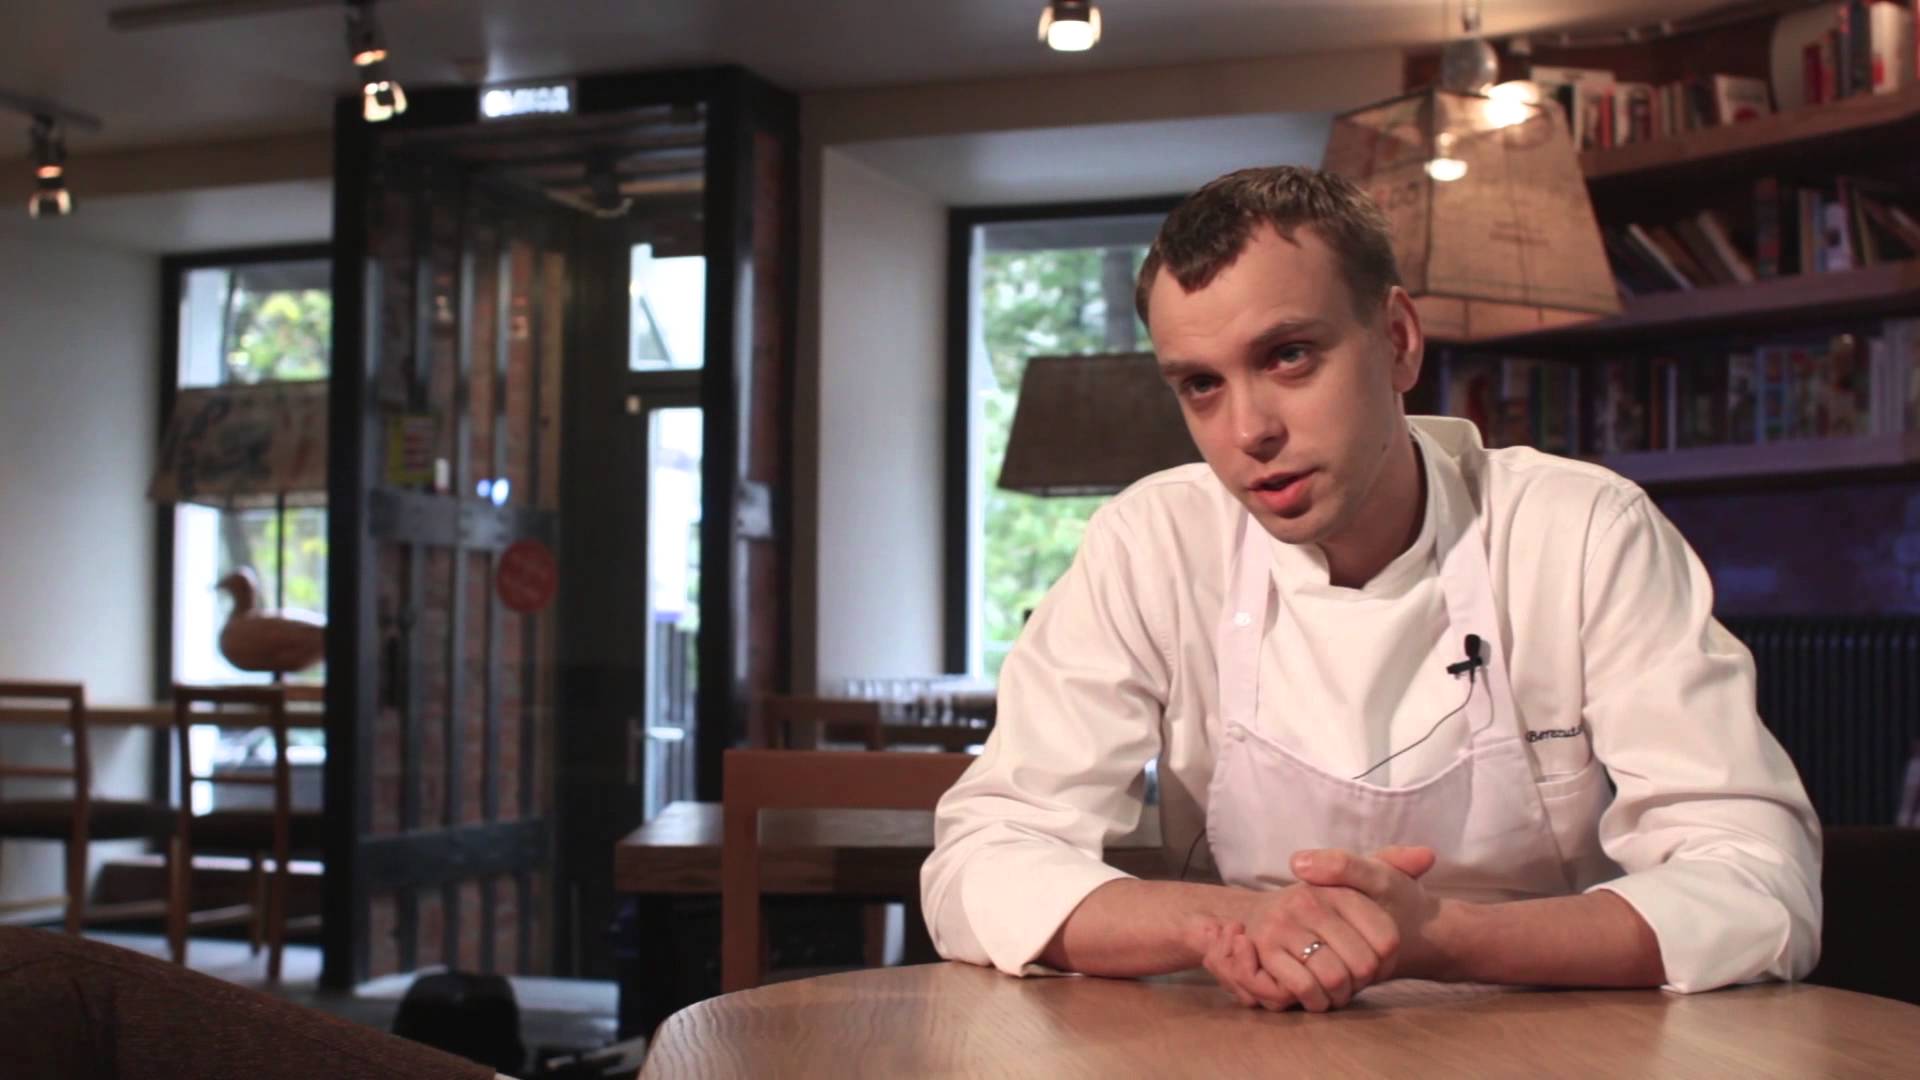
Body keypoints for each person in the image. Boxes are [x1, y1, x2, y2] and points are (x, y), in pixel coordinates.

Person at [920, 166, 1821, 1012]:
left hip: (1555, 1034)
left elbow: (1757, 883)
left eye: (1289, 356)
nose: (1248, 430)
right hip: (1248, 1037)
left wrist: (1439, 939)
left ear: (1396, 341)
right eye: (1200, 385)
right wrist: (1233, 924)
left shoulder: (1581, 532)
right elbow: (981, 861)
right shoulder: (1152, 543)